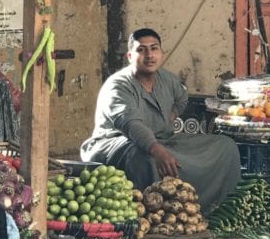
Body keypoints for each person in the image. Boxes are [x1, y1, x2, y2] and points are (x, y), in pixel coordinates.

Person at [81, 28, 241, 210]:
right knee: (148, 160)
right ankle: (154, 215)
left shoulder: (167, 79)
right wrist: (157, 151)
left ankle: (210, 208)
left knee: (225, 146)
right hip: (116, 144)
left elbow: (182, 98)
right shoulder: (118, 86)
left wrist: (169, 117)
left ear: (161, 53)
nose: (149, 55)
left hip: (161, 139)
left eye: (154, 48)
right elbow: (131, 124)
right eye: (141, 50)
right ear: (129, 55)